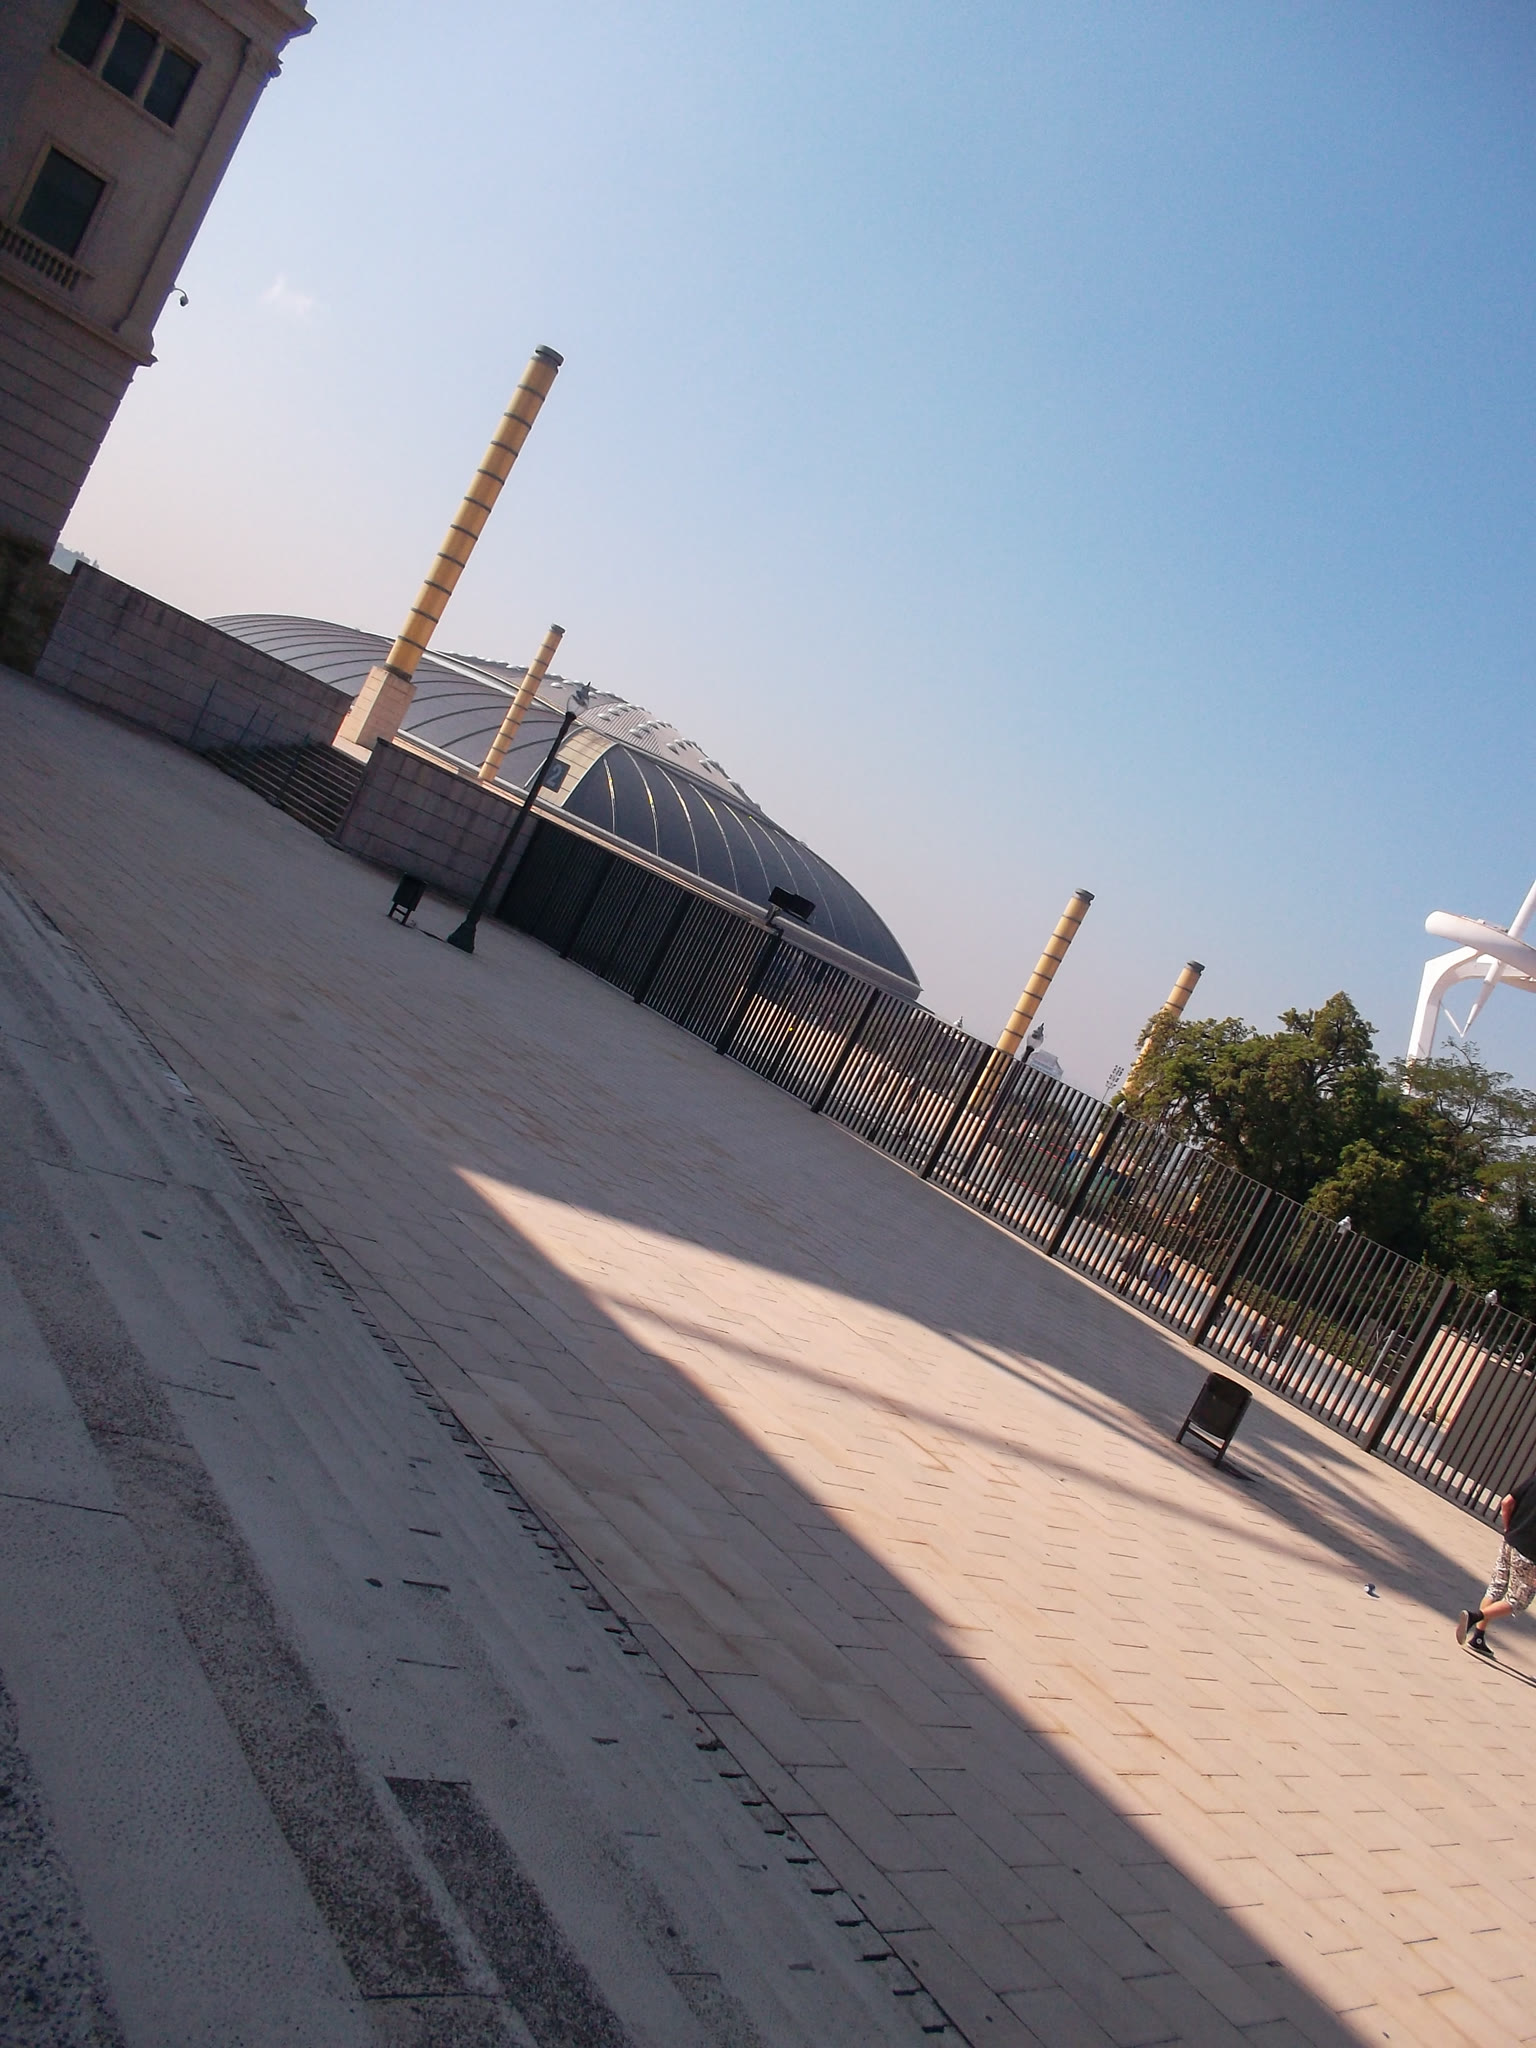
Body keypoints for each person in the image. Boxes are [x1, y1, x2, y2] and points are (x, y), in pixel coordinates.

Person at [1457, 1470, 1536, 1657]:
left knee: (1496, 1587)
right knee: (1516, 1601)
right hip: (1530, 1555)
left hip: (1510, 1541)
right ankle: (1474, 1617)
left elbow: (1506, 1502)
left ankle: (1478, 1636)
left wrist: (1508, 1528)